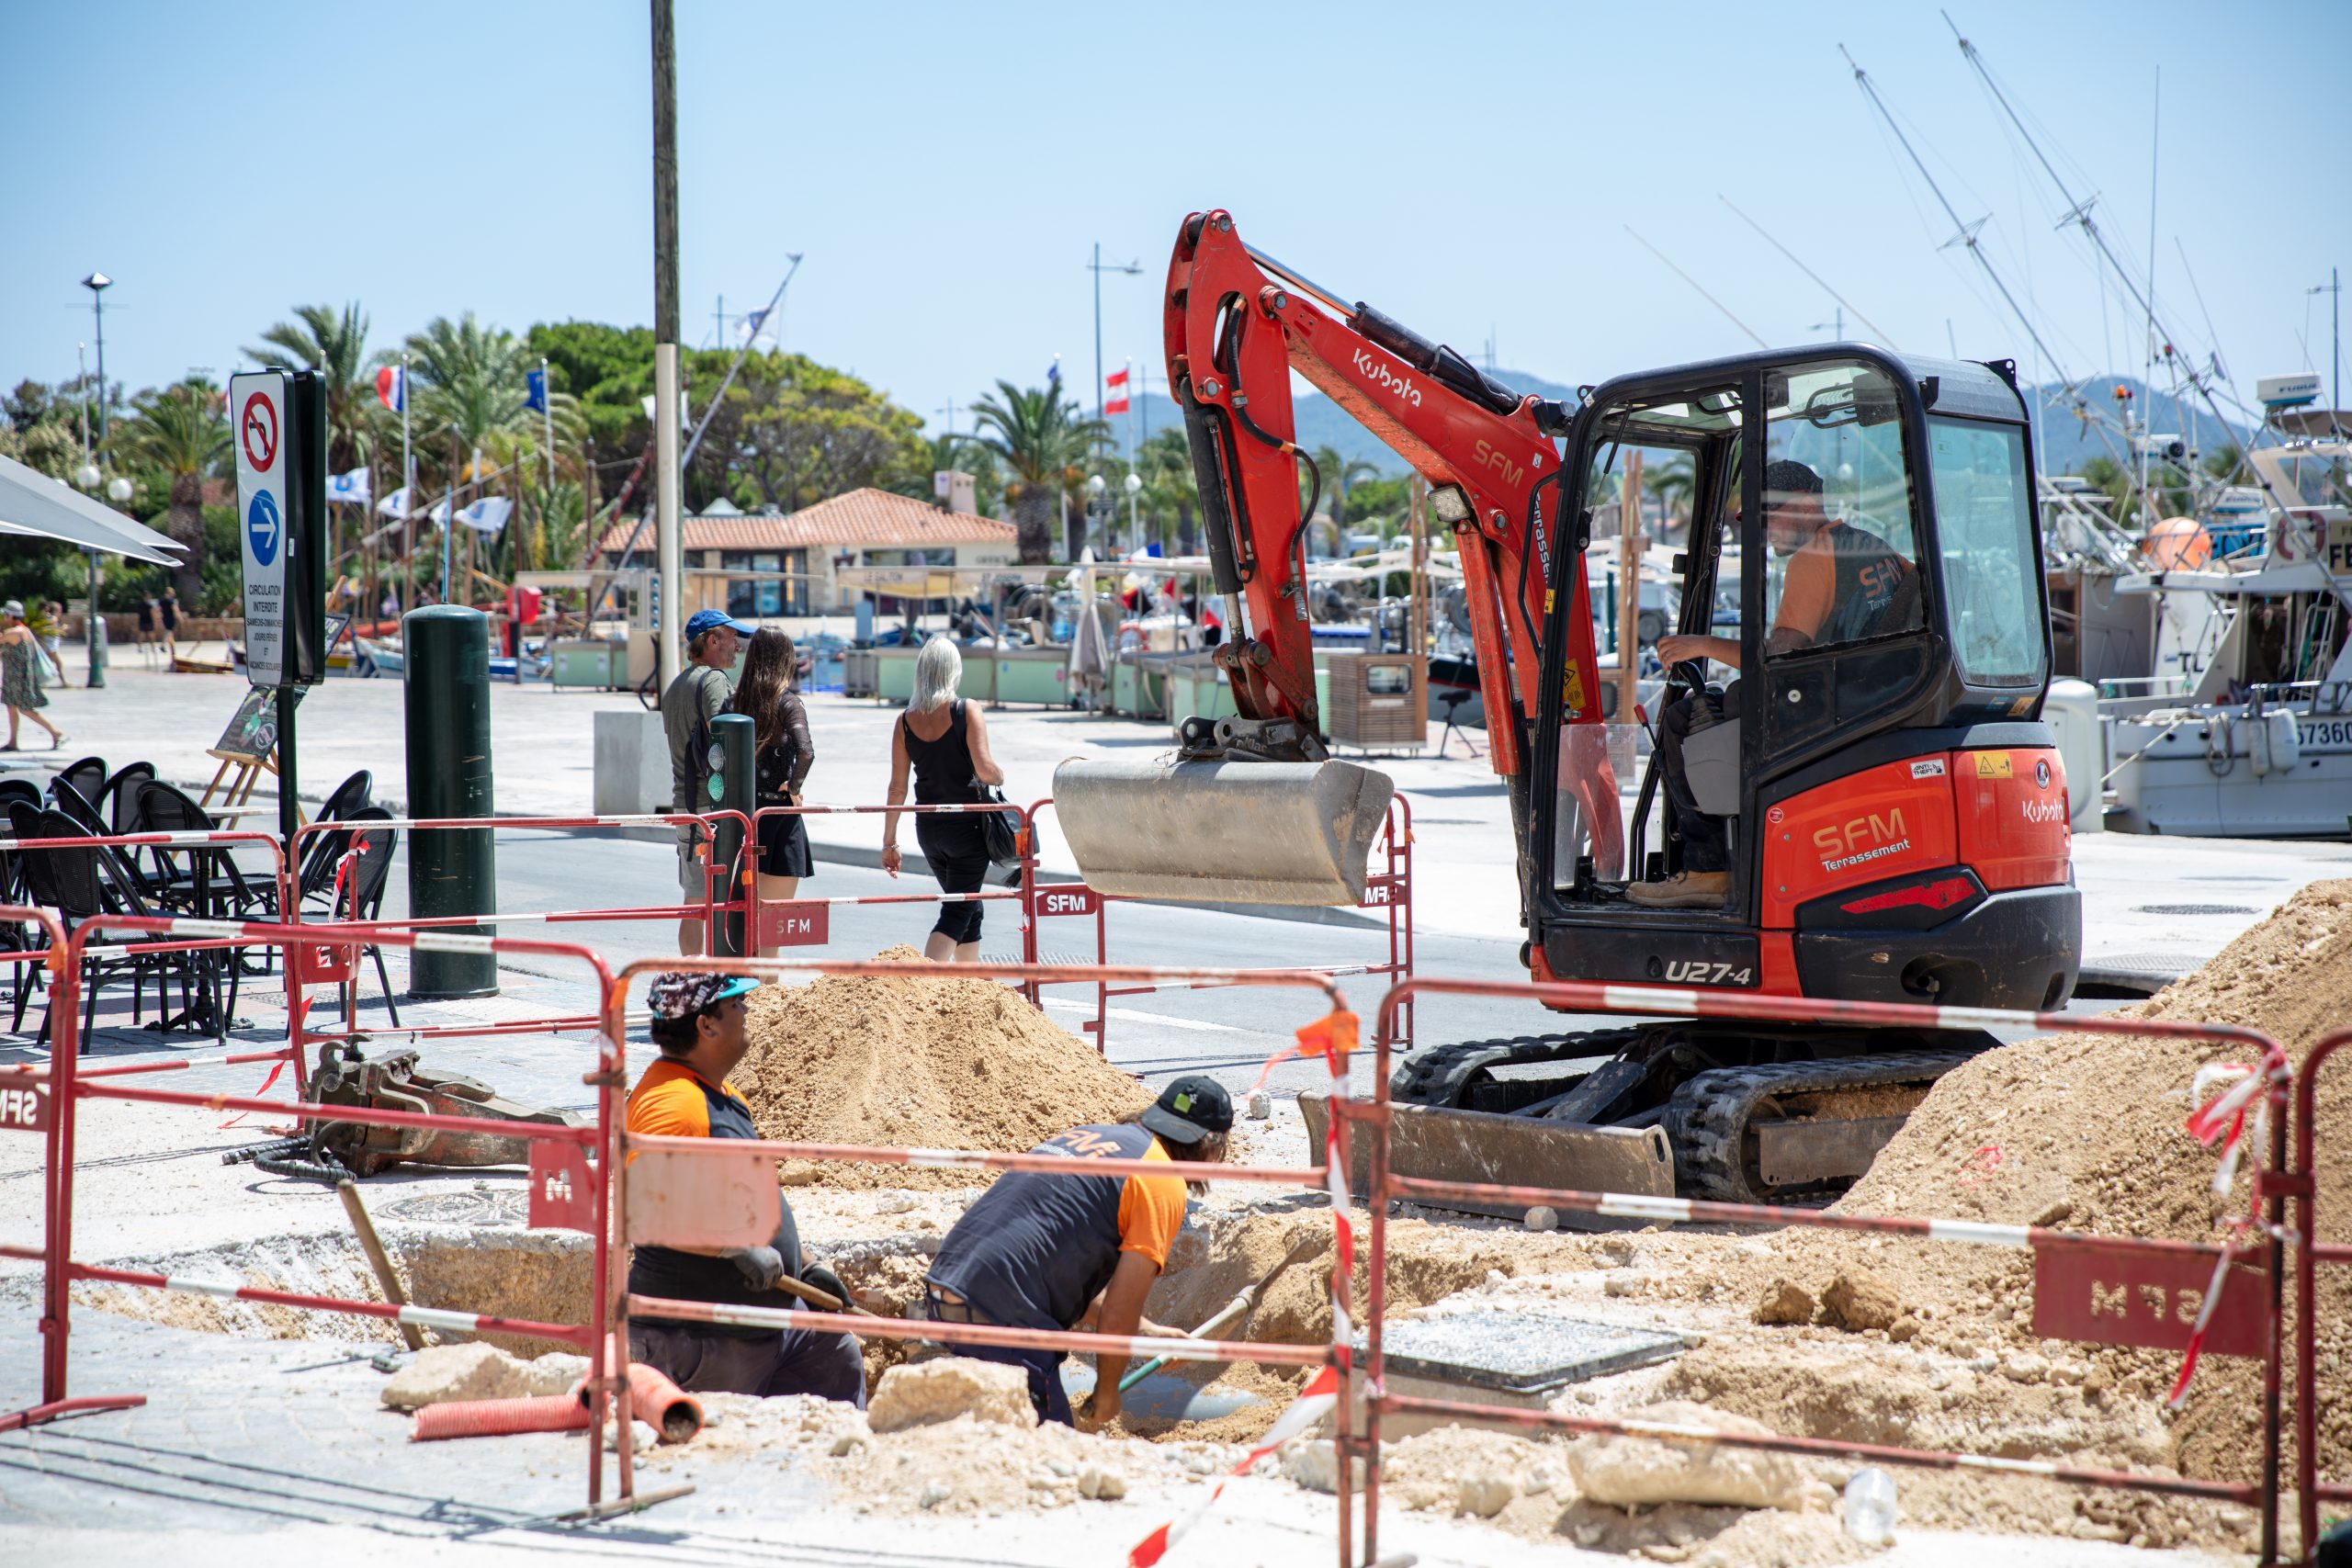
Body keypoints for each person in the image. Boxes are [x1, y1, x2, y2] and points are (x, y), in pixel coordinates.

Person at [1632, 459, 1919, 908]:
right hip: (1866, 701)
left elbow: (1779, 659)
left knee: (1683, 718)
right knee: (1730, 699)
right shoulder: (1874, 548)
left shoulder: (1813, 557)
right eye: (1752, 520)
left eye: (1767, 515)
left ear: (1806, 504)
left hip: (1826, 711)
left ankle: (1709, 871)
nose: (1762, 529)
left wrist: (1702, 645)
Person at [922, 1075, 1232, 1429]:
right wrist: (1107, 1390)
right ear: (1210, 1145)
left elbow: (1052, 1270)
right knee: (1049, 1455)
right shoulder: (1162, 1181)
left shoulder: (1091, 1135)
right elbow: (1120, 1308)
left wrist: (1148, 1332)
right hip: (1003, 1314)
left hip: (947, 1290)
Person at [627, 971, 866, 1404]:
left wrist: (806, 1265)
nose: (746, 1011)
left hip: (766, 1324)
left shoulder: (722, 1096)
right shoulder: (673, 1104)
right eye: (736, 1004)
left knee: (834, 1354)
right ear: (707, 1024)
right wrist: (729, 1247)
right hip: (700, 1336)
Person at [881, 637, 1004, 963]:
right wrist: (999, 774)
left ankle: (968, 990)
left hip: (930, 831)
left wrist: (889, 841)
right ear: (953, 671)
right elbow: (986, 770)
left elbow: (897, 788)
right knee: (956, 911)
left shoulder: (905, 721)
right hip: (967, 830)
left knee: (968, 907)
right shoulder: (966, 710)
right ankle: (928, 985)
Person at [662, 606, 756, 954]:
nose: (739, 647)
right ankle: (718, 981)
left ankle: (692, 975)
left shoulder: (676, 685)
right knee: (721, 900)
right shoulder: (713, 680)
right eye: (733, 639)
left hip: (684, 805)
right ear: (712, 640)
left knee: (694, 899)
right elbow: (726, 739)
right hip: (711, 806)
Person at [729, 627, 816, 955]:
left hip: (741, 819)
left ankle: (741, 998)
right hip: (780, 820)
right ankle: (765, 1001)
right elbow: (806, 750)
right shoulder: (788, 703)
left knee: (740, 923)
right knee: (771, 932)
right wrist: (794, 786)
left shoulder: (732, 703)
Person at [0, 602, 63, 752]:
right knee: (12, 708)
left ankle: (55, 732)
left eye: (5, 615)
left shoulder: (14, 632)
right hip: (15, 677)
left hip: (17, 678)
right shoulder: (24, 630)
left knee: (25, 709)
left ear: (10, 615)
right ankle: (13, 741)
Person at [136, 595, 158, 669]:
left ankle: (139, 647)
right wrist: (155, 621)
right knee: (151, 635)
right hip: (149, 621)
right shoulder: (149, 605)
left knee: (141, 634)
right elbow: (152, 613)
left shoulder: (140, 605)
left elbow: (138, 613)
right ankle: (153, 648)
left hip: (142, 621)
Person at [158, 586, 179, 660]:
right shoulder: (171, 601)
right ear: (170, 592)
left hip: (164, 617)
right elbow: (175, 609)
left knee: (170, 634)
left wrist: (159, 618)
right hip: (170, 618)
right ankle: (162, 645)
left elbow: (159, 609)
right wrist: (179, 617)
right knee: (168, 631)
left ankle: (173, 650)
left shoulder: (162, 600)